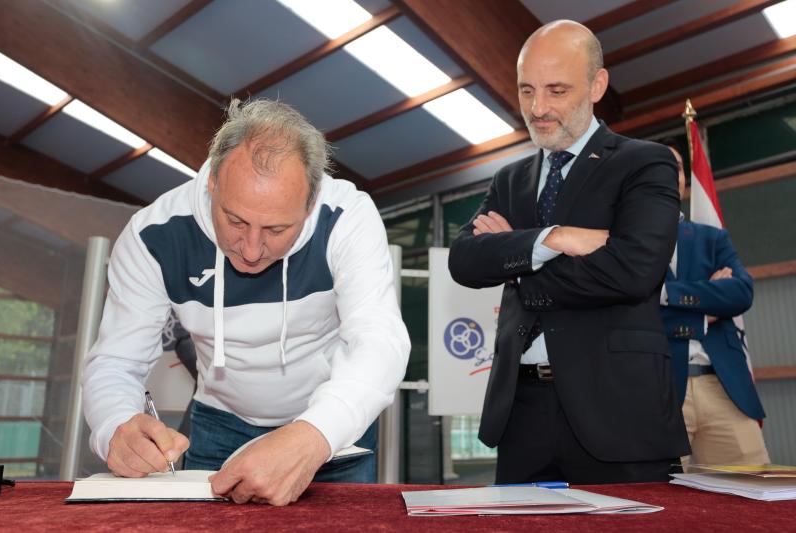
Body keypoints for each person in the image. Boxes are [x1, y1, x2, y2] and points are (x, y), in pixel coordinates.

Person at [82, 98, 410, 505]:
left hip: (331, 424)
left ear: (310, 204)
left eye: (276, 228)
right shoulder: (153, 233)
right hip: (219, 424)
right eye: (235, 220)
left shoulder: (347, 216)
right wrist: (115, 424)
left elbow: (380, 341)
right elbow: (115, 361)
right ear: (212, 184)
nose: (252, 250)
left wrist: (314, 435)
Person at [448, 20, 690, 484]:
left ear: (597, 85)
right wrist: (553, 239)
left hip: (618, 414)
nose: (538, 108)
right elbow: (464, 261)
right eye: (526, 90)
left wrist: (517, 263)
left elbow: (633, 272)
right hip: (520, 413)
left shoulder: (645, 162)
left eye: (557, 90)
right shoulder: (510, 179)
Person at [661, 146, 769, 465]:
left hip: (725, 389)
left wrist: (666, 294)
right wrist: (705, 307)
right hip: (658, 391)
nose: (669, 175)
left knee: (756, 505)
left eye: (676, 168)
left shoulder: (712, 238)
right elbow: (631, 313)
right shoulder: (620, 242)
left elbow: (740, 293)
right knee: (666, 509)